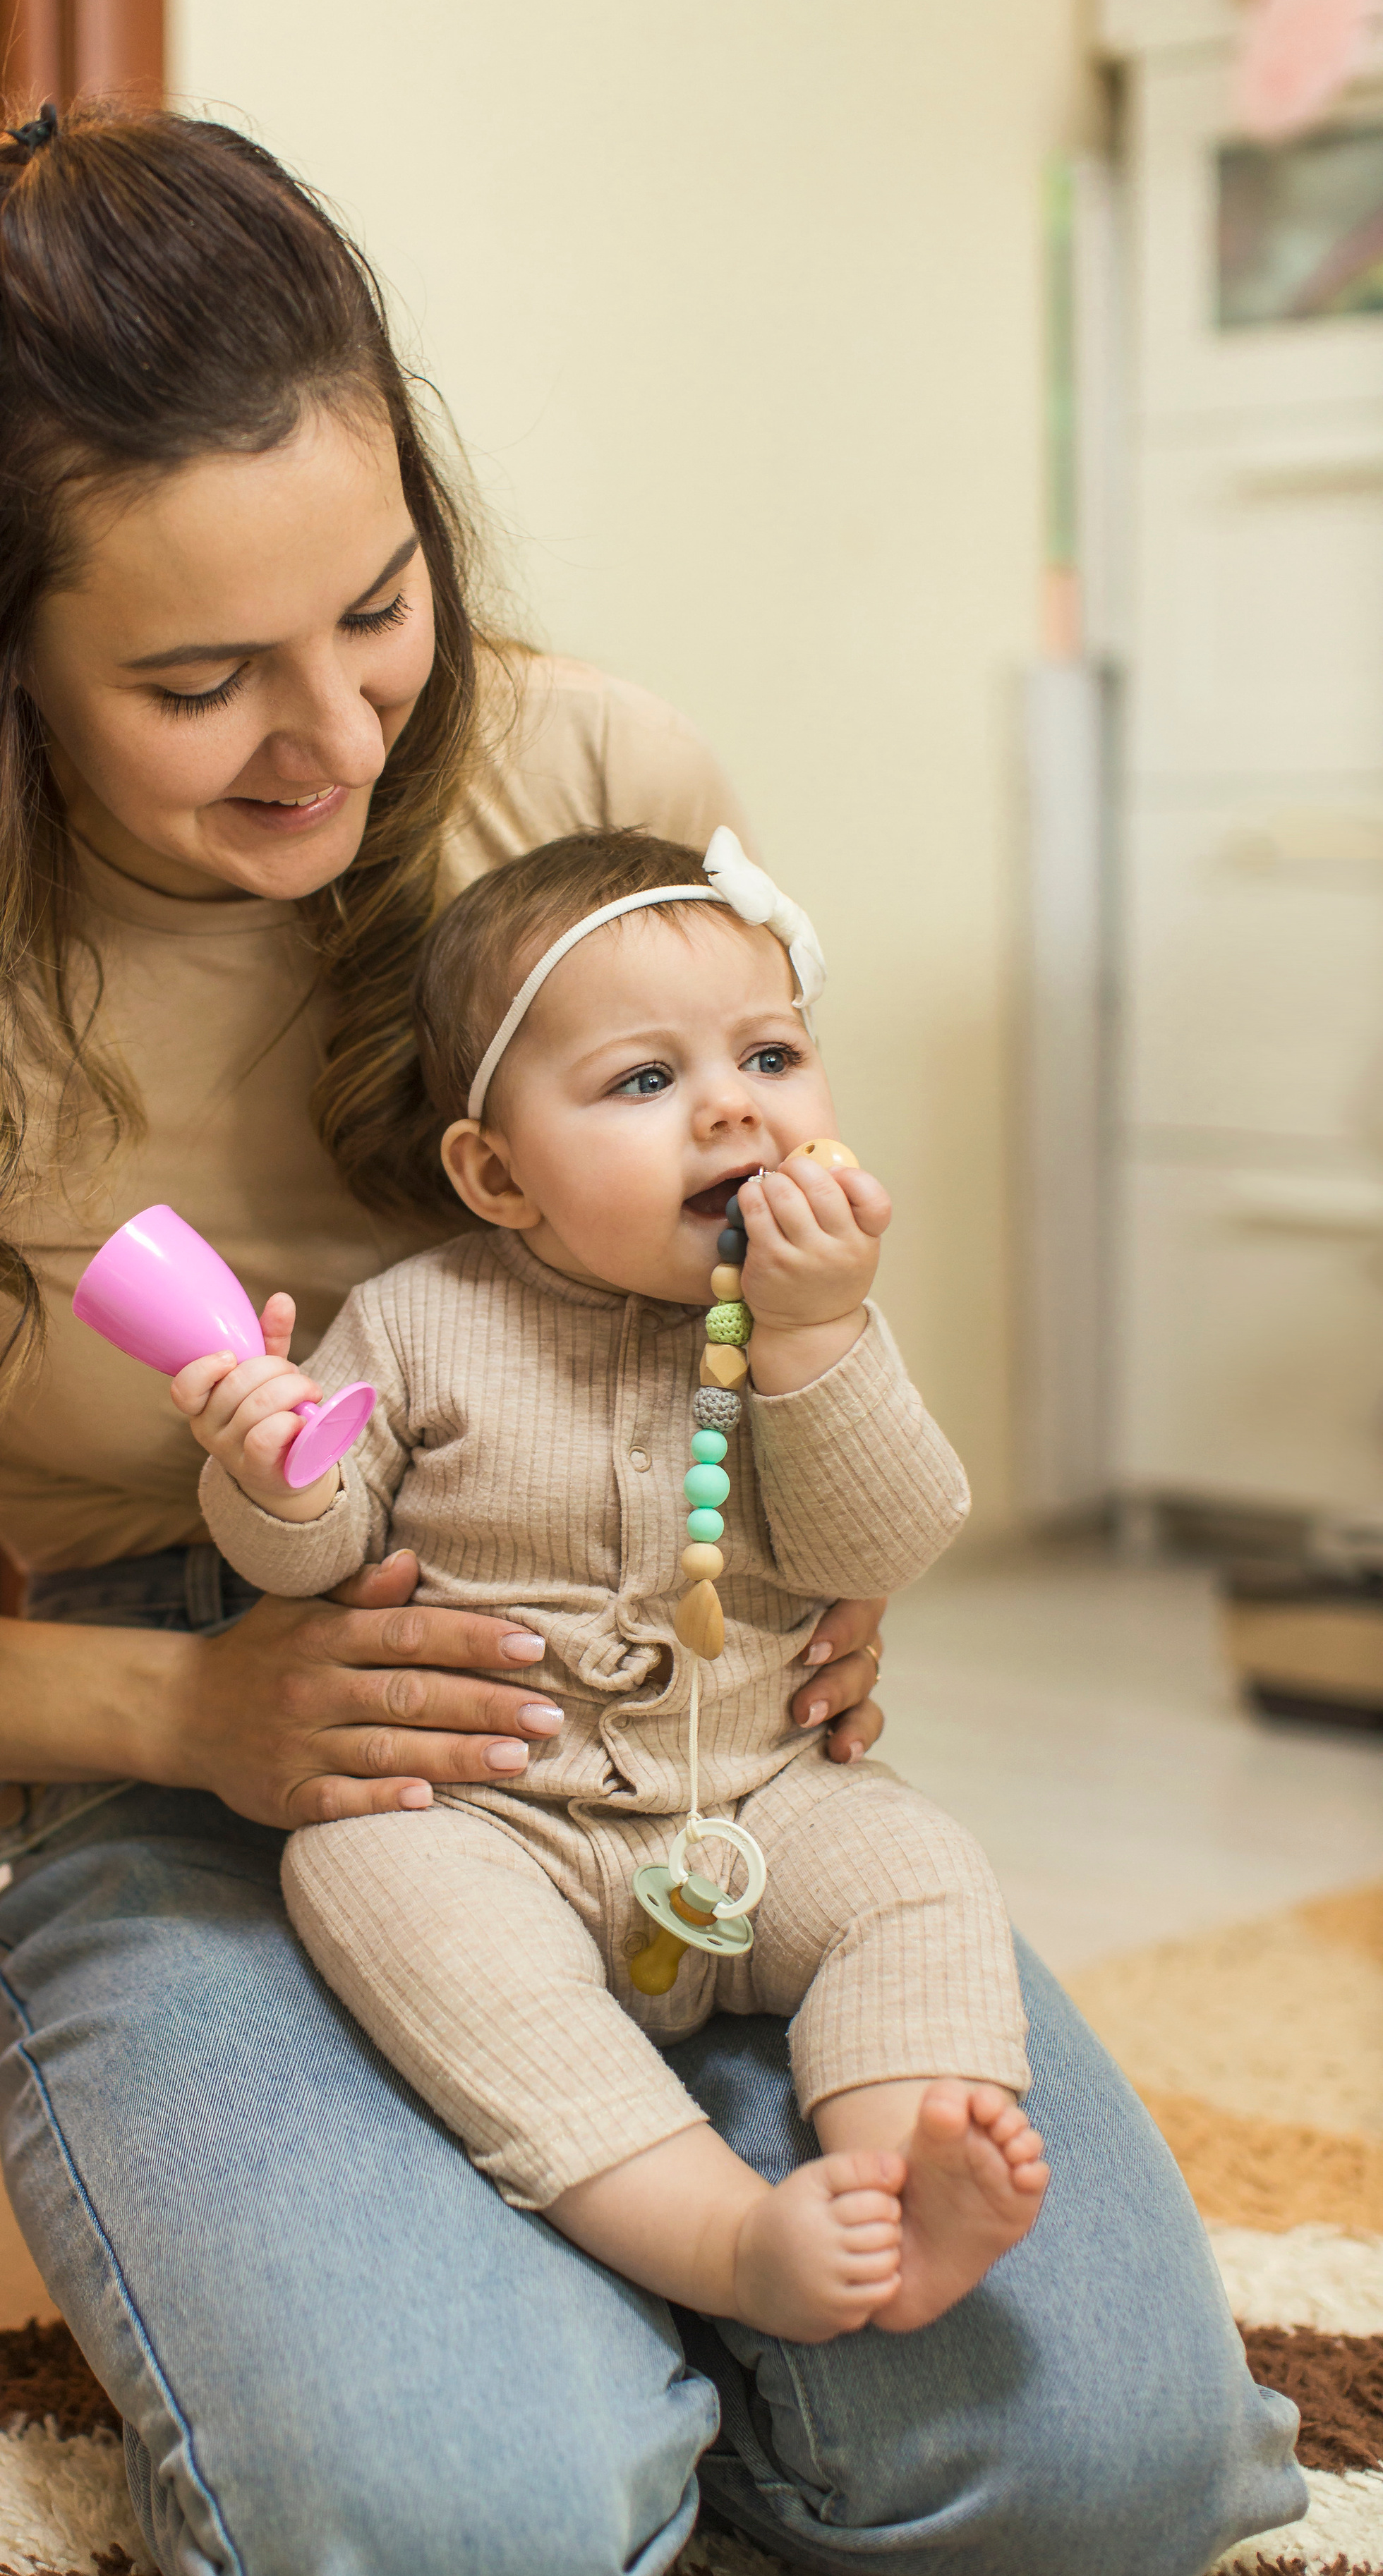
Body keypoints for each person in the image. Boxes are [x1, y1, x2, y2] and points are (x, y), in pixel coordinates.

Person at [0, 102, 1300, 2576]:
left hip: (685, 1701)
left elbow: (757, 1247)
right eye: (198, 685)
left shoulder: (602, 783)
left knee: (1110, 2500)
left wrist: (805, 1543)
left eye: (378, 612)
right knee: (458, 2568)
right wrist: (193, 1700)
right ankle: (565, 2345)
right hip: (200, 1727)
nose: (336, 739)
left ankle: (656, 2288)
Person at [183, 828, 1049, 2347]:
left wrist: (811, 1339)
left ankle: (900, 2180)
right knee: (366, 1877)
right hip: (491, 1813)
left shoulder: (813, 1319)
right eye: (643, 1083)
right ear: (495, 1173)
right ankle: (722, 2238)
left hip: (765, 1796)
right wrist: (268, 1472)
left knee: (917, 1873)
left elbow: (879, 1549)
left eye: (771, 1056)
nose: (731, 1105)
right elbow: (310, 1561)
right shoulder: (416, 1319)